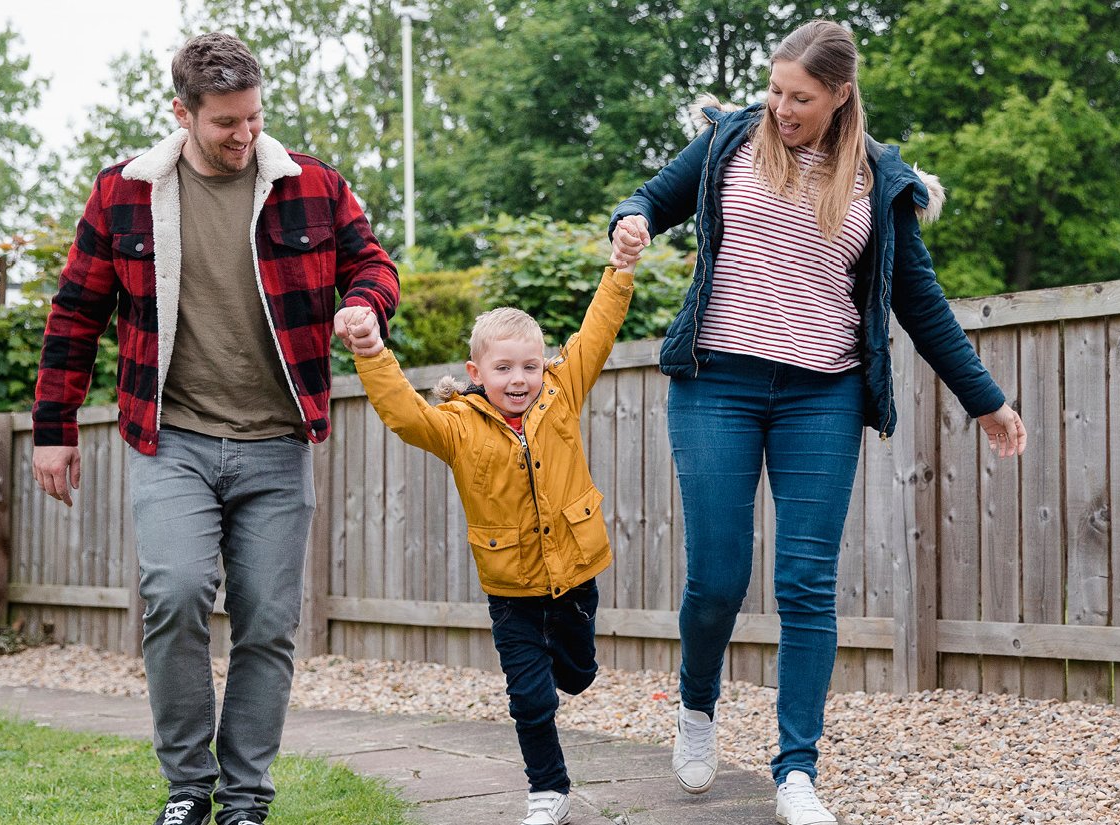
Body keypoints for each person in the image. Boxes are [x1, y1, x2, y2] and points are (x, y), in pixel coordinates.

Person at [607, 19, 1028, 825]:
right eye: (775, 90)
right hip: (716, 382)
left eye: (800, 97)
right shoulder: (732, 142)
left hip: (823, 394)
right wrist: (629, 220)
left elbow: (920, 304)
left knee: (806, 582)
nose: (782, 107)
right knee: (719, 575)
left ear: (839, 96)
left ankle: (795, 769)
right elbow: (651, 198)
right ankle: (697, 705)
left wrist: (986, 398)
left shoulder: (879, 182)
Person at [28, 32, 398, 825]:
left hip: (277, 441)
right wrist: (52, 426)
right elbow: (75, 313)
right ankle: (189, 788)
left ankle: (245, 799)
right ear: (183, 112)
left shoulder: (313, 189)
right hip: (174, 439)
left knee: (267, 619)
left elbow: (374, 264)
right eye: (227, 122)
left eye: (255, 118)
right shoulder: (123, 194)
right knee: (175, 592)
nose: (246, 136)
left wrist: (366, 305)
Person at [345, 248, 637, 825]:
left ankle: (567, 669)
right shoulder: (457, 426)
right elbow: (405, 414)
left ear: (545, 366)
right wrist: (372, 353)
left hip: (576, 576)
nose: (519, 379)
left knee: (577, 676)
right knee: (531, 697)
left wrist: (621, 267)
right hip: (512, 590)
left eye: (529, 366)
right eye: (503, 368)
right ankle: (547, 790)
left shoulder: (562, 393)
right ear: (477, 373)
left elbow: (599, 329)